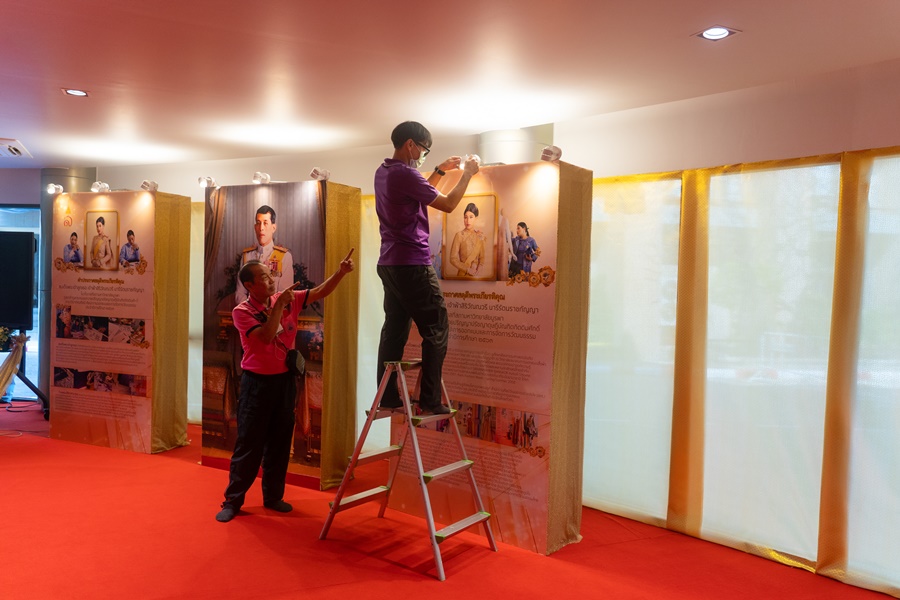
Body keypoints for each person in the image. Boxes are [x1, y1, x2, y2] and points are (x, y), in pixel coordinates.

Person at [216, 249, 355, 523]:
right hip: (256, 385)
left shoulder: (284, 299)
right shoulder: (242, 312)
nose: (271, 281)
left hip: (284, 382)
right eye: (265, 278)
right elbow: (267, 337)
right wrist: (279, 305)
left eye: (271, 276)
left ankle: (273, 496)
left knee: (280, 444)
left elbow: (320, 292)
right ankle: (233, 501)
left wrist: (340, 272)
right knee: (249, 445)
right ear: (250, 285)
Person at [375, 121, 479, 414]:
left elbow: (418, 192)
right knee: (436, 327)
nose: (422, 155)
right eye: (423, 149)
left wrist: (440, 171)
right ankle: (430, 400)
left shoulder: (383, 171)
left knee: (394, 329)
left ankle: (387, 396)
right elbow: (447, 204)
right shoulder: (406, 173)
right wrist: (468, 174)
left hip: (390, 263)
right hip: (412, 263)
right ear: (411, 144)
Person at [234, 205, 293, 304]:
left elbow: (284, 294)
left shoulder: (284, 257)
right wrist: (249, 311)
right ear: (255, 227)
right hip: (249, 311)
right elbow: (240, 293)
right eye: (258, 223)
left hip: (275, 312)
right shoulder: (247, 257)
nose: (261, 228)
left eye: (265, 223)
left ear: (273, 228)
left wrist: (268, 312)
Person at [449, 202, 486, 277]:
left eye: (471, 217)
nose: (468, 221)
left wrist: (479, 267)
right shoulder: (459, 235)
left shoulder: (480, 236)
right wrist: (467, 269)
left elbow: (482, 257)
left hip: (476, 276)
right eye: (465, 217)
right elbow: (453, 259)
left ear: (476, 218)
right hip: (462, 275)